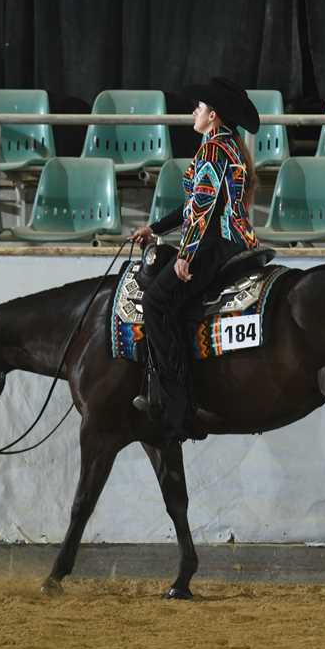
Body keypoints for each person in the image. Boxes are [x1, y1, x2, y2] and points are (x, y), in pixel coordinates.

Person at [129, 77, 261, 442]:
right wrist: (155, 228)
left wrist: (185, 256)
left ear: (212, 115)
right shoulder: (228, 145)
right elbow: (194, 206)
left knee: (156, 302)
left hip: (215, 245)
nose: (193, 112)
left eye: (198, 107)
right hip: (234, 241)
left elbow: (202, 209)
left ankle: (178, 406)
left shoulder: (212, 150)